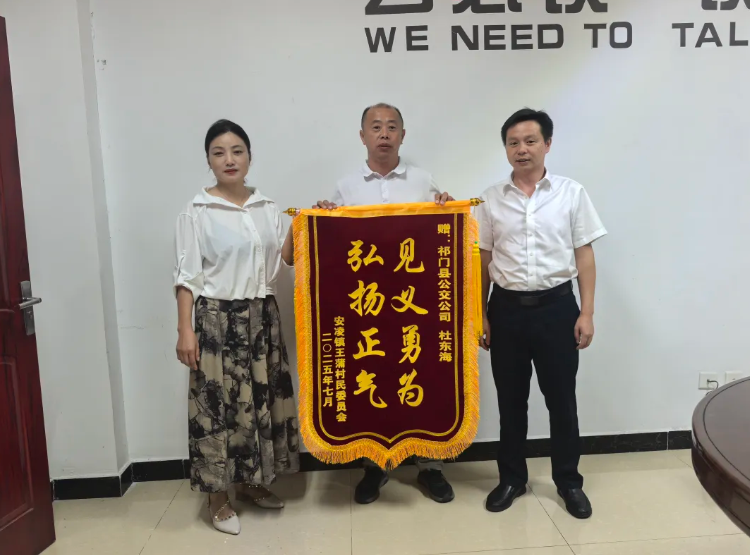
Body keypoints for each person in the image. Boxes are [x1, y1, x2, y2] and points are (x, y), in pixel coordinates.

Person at [315, 103, 456, 505]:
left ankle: (430, 466)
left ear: (402, 135)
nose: (384, 134)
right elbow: (331, 244)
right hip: (369, 309)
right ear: (362, 136)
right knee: (375, 379)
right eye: (375, 127)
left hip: (414, 304)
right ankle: (374, 466)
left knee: (420, 378)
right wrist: (324, 216)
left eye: (391, 127)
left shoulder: (423, 180)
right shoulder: (346, 187)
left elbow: (442, 231)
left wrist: (446, 208)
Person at [477, 108, 606, 519]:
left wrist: (587, 312)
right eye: (513, 142)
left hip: (557, 309)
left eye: (530, 141)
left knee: (562, 401)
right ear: (505, 148)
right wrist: (480, 315)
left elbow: (584, 256)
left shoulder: (571, 193)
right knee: (511, 402)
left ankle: (569, 482)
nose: (522, 149)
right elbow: (482, 261)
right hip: (506, 311)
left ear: (547, 144)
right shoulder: (490, 199)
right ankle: (512, 478)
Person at [174, 119, 300, 535]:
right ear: (209, 160)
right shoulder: (197, 211)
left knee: (257, 401)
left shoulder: (266, 207)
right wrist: (185, 329)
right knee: (218, 408)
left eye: (237, 151)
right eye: (219, 153)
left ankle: (250, 483)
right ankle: (217, 498)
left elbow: (284, 259)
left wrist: (308, 222)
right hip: (216, 321)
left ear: (249, 156)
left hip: (262, 318)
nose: (229, 160)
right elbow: (187, 277)